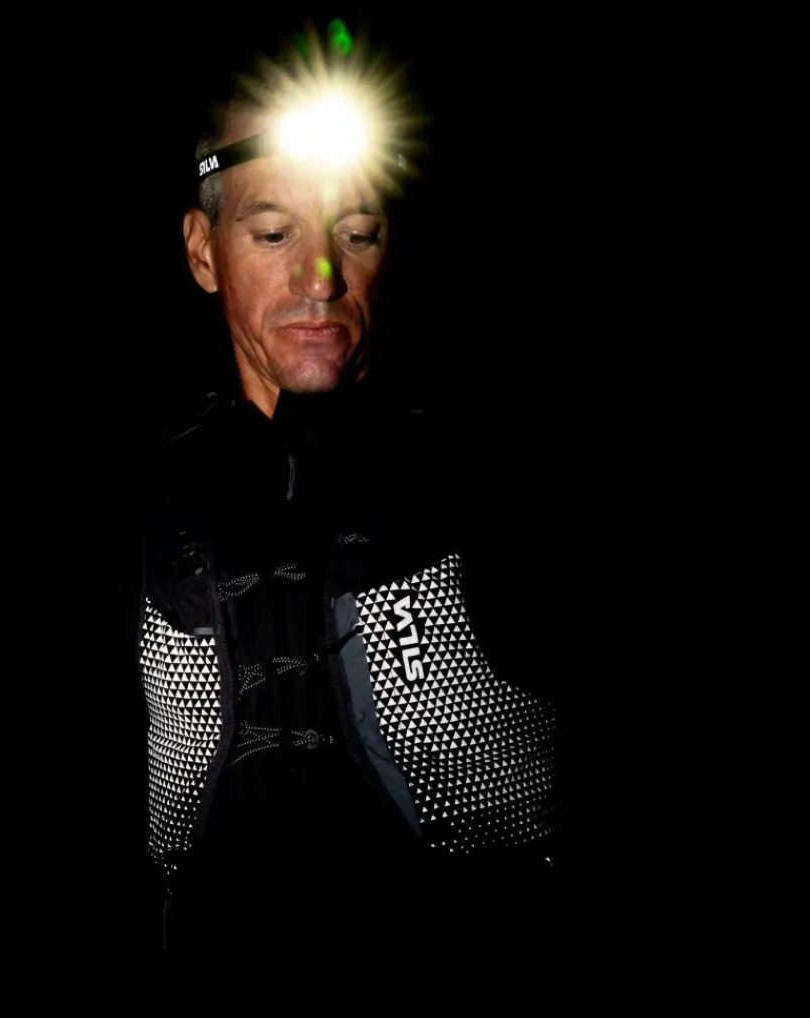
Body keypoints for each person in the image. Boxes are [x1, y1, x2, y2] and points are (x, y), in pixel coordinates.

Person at [137, 40, 560, 955]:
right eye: (274, 234)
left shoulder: (497, 479)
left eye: (357, 233)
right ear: (204, 251)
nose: (320, 277)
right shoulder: (148, 501)